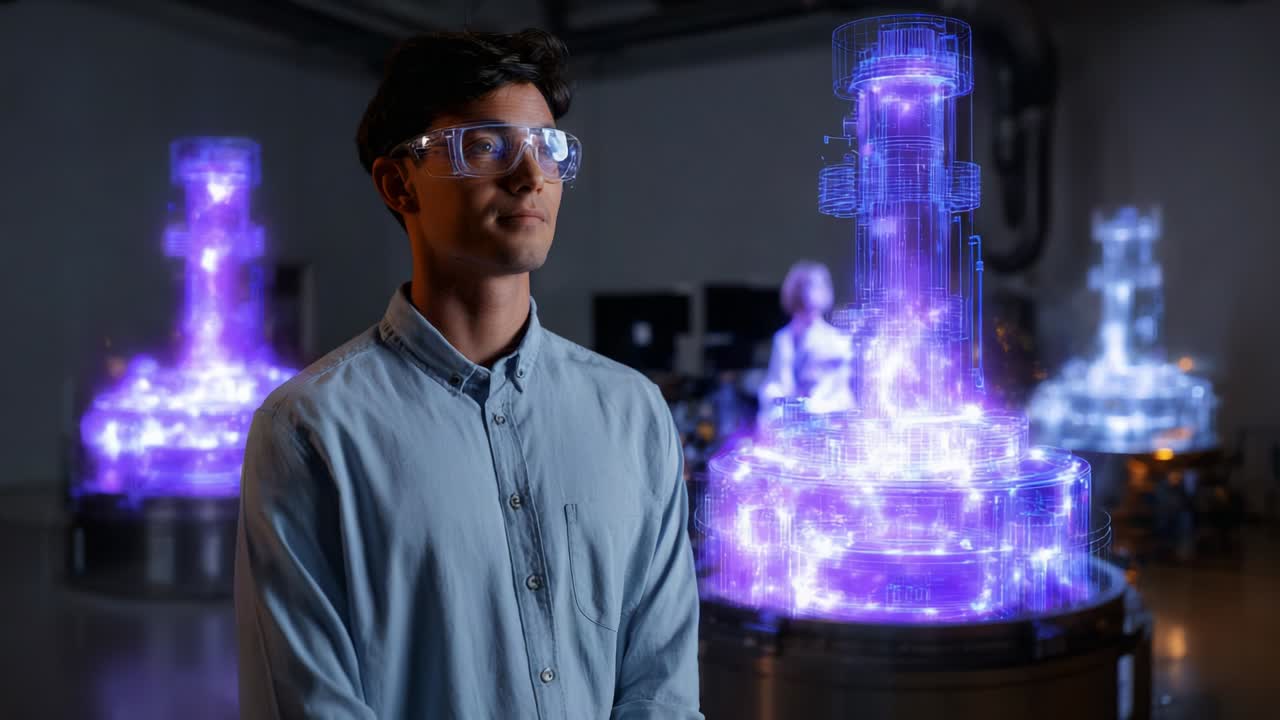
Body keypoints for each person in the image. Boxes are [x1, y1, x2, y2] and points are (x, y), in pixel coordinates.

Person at [235, 30, 702, 720]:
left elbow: (660, 688)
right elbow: (311, 706)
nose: (530, 175)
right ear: (399, 183)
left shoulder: (631, 415)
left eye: (548, 147)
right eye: (487, 146)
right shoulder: (311, 433)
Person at [757, 260, 854, 426]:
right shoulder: (783, 339)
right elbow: (776, 384)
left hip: (826, 422)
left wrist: (814, 407)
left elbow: (840, 394)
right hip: (789, 422)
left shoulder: (838, 342)